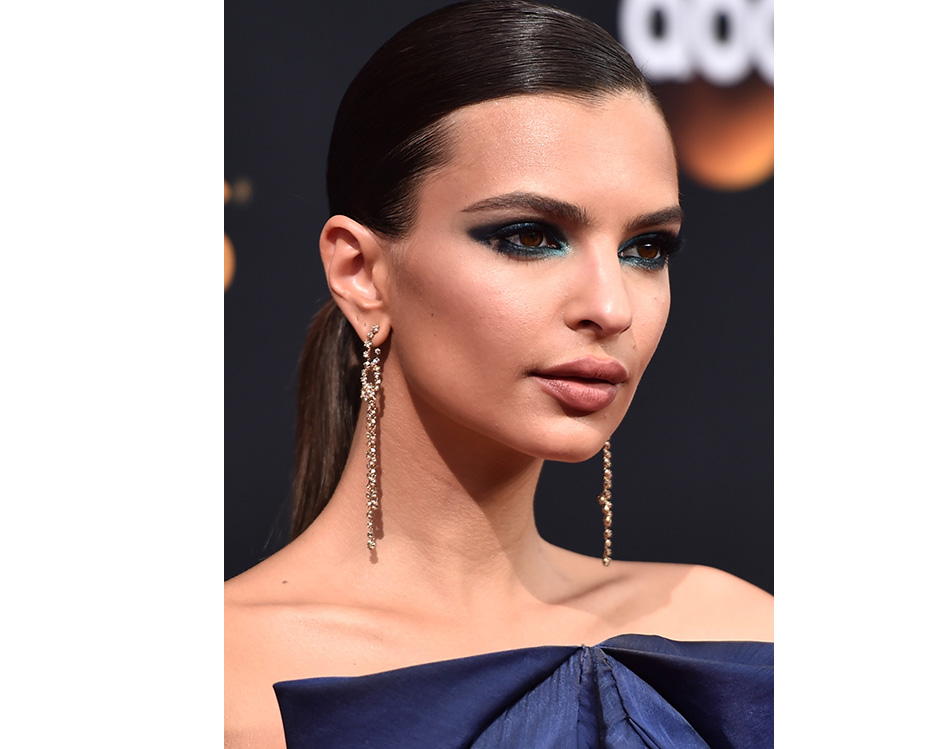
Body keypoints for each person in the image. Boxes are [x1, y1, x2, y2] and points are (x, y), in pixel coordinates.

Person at [225, 1, 773, 746]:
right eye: (529, 236)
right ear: (361, 273)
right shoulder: (223, 677)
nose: (611, 307)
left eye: (646, 249)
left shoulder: (743, 645)